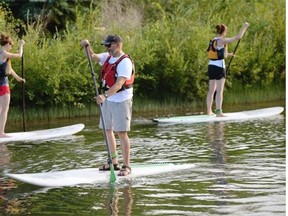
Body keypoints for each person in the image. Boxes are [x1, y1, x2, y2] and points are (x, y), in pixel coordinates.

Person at [81, 34, 134, 176]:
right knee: (107, 130)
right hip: (108, 100)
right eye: (105, 45)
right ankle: (114, 161)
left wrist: (104, 96)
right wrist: (86, 45)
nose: (106, 48)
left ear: (117, 44)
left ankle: (127, 166)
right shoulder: (108, 57)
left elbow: (119, 84)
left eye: (108, 45)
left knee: (121, 133)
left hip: (121, 100)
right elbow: (92, 57)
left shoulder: (125, 62)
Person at [206, 22, 249, 117]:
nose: (227, 33)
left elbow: (218, 54)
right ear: (223, 31)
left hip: (211, 66)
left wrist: (229, 54)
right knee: (220, 90)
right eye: (226, 31)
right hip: (219, 68)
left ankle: (209, 111)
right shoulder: (222, 40)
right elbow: (238, 37)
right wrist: (244, 27)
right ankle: (219, 113)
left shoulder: (214, 40)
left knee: (211, 90)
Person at [0, 33, 25, 138]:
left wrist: (18, 78)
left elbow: (9, 70)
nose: (11, 47)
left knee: (0, 109)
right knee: (5, 109)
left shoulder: (2, 55)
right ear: (8, 44)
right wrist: (21, 45)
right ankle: (1, 133)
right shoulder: (4, 53)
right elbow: (19, 55)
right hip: (3, 86)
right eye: (12, 45)